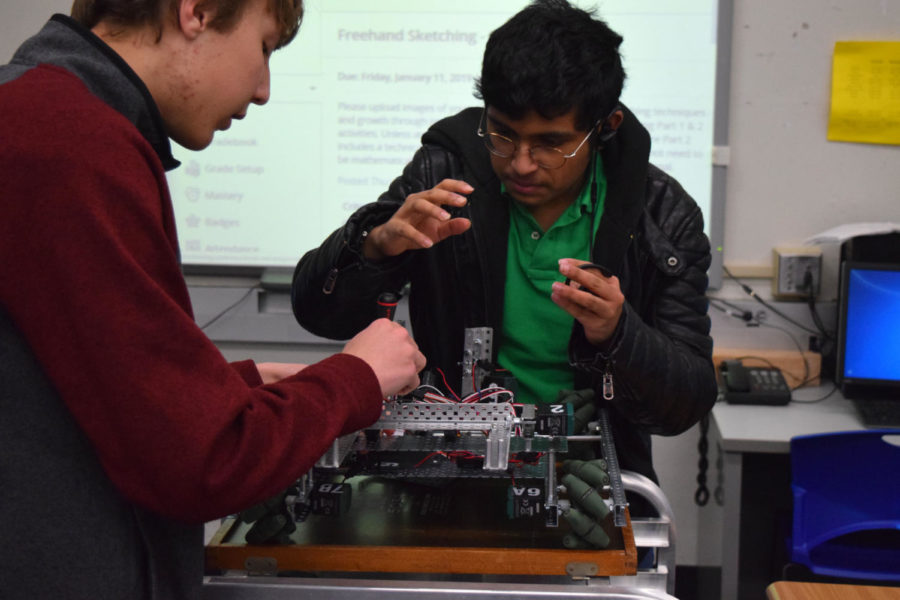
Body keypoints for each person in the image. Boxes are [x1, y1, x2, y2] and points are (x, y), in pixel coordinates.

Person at [0, 1, 424, 598]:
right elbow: (203, 462)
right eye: (266, 47)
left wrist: (235, 387)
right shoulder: (69, 142)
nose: (263, 91)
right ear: (196, 12)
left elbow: (57, 395)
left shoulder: (34, 109)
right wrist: (356, 376)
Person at [292, 0, 717, 496]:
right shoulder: (443, 174)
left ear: (605, 127)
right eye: (503, 134)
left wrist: (619, 334)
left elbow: (684, 404)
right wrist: (375, 246)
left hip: (592, 488)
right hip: (450, 477)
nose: (520, 164)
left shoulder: (663, 216)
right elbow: (317, 313)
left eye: (551, 143)